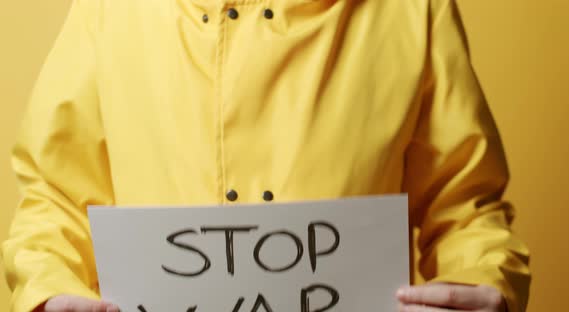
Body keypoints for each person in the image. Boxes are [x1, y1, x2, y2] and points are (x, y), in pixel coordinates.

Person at [1, 0, 531, 311]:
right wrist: (48, 293)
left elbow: (464, 205)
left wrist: (480, 284)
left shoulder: (411, 9)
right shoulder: (109, 9)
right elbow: (57, 199)